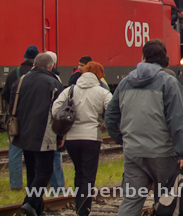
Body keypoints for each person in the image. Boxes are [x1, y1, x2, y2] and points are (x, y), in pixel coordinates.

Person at [105, 39, 183, 216]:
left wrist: (122, 139)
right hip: (163, 154)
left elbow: (110, 116)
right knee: (166, 201)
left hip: (134, 152)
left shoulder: (125, 82)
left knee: (131, 200)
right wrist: (182, 152)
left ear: (143, 57)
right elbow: (178, 120)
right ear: (164, 59)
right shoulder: (169, 83)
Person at [52, 61, 112, 216]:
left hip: (71, 137)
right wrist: (104, 125)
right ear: (99, 75)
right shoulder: (102, 92)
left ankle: (79, 205)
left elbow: (55, 110)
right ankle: (83, 209)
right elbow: (113, 112)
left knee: (79, 172)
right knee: (88, 175)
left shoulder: (70, 90)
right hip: (92, 137)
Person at [10, 51, 64, 216]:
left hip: (23, 133)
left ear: (34, 64)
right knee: (44, 171)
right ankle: (30, 202)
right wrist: (60, 137)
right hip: (44, 133)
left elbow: (13, 105)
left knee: (32, 171)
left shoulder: (20, 81)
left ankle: (37, 209)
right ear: (50, 66)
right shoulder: (53, 83)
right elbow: (59, 113)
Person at [3, 44, 39, 191]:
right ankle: (36, 183)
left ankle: (16, 184)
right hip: (33, 120)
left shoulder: (14, 73)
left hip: (16, 120)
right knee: (35, 155)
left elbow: (5, 94)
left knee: (15, 153)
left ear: (24, 57)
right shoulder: (38, 75)